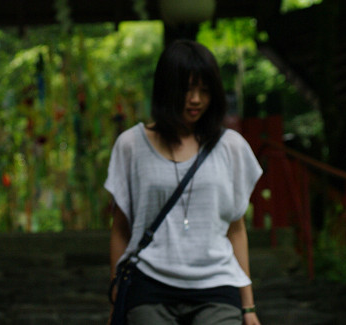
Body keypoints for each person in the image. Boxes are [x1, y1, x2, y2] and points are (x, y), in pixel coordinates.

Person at [105, 39, 262, 325]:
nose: (196, 99)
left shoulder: (231, 146)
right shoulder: (130, 145)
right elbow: (120, 227)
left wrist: (248, 307)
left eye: (204, 90)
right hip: (149, 286)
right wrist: (117, 293)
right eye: (187, 89)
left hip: (216, 285)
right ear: (167, 89)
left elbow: (236, 229)